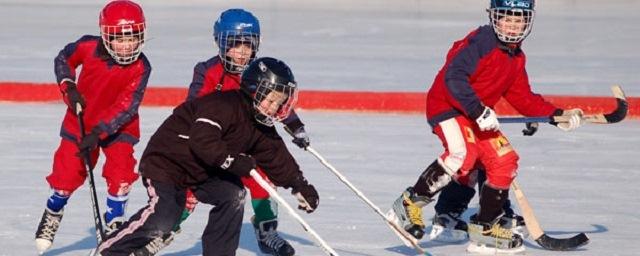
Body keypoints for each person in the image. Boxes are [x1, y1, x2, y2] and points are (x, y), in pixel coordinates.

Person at [389, 0, 583, 253]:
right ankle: (408, 204)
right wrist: (477, 110)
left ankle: (484, 229)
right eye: (507, 19)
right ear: (494, 17)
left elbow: (522, 96)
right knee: (462, 154)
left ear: (528, 21)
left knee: (505, 160)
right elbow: (454, 77)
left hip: (476, 115)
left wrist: (556, 115)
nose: (512, 26)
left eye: (519, 20)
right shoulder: (481, 43)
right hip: (449, 107)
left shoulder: (516, 57)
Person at [97, 57, 319, 256]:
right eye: (270, 100)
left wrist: (299, 185)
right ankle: (109, 250)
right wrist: (233, 161)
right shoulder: (222, 105)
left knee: (233, 195)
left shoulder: (260, 125)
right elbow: (202, 141)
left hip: (204, 170)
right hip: (168, 163)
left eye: (279, 103)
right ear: (254, 89)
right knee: (163, 221)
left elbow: (275, 156)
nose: (273, 108)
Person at [136, 9, 310, 256]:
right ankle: (164, 233)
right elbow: (194, 108)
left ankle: (266, 230)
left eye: (247, 46)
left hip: (249, 144)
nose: (241, 53)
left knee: (263, 181)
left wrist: (295, 126)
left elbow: (277, 101)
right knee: (190, 192)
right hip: (213, 146)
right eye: (234, 45)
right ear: (221, 43)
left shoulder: (261, 73)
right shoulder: (207, 71)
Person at [34, 0, 150, 254]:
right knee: (67, 174)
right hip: (80, 123)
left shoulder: (141, 67)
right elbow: (65, 58)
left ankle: (115, 223)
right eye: (120, 39)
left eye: (133, 38)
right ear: (105, 35)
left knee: (121, 171)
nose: (127, 45)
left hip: (118, 127)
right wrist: (69, 86)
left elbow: (126, 106)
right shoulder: (88, 47)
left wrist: (99, 133)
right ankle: (54, 210)